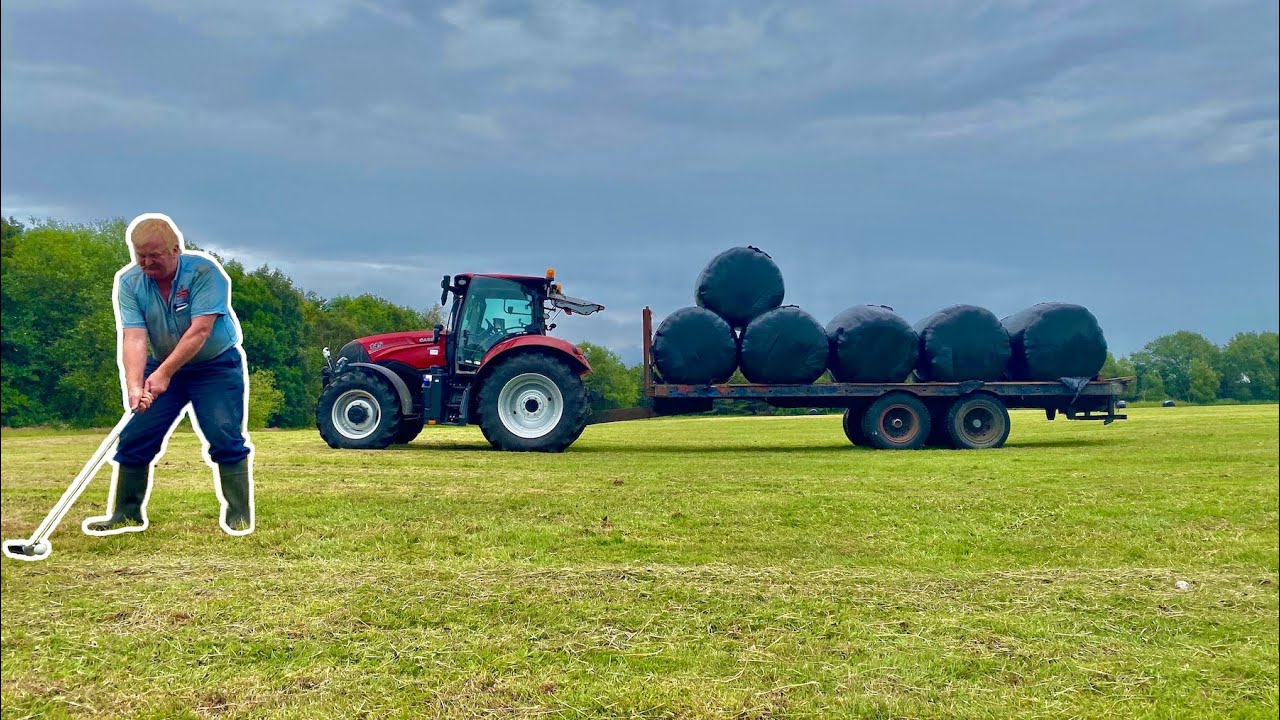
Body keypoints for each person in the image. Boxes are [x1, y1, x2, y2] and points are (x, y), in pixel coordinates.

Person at [83, 213, 255, 536]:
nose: (146, 262)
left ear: (175, 249)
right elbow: (133, 336)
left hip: (215, 366)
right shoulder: (130, 283)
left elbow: (199, 332)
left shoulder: (205, 272)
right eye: (140, 255)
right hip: (163, 365)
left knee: (223, 434)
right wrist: (134, 386)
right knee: (136, 433)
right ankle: (126, 513)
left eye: (154, 255)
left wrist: (162, 374)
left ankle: (239, 516)